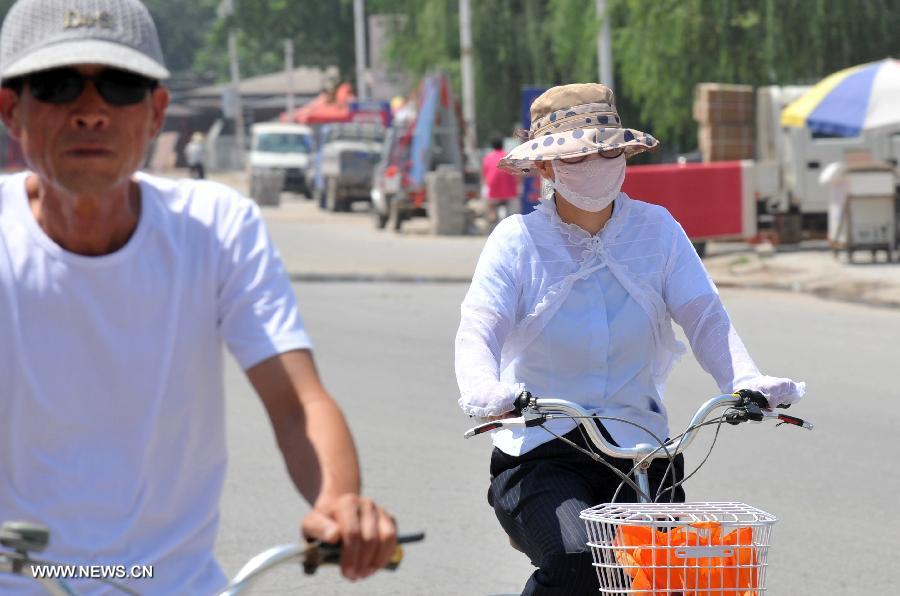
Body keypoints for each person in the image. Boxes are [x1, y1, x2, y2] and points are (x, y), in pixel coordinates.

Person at [0, 0, 396, 593]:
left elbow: (297, 404)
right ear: (11, 110)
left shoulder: (216, 227)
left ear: (156, 111)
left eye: (119, 85)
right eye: (57, 86)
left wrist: (338, 502)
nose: (90, 112)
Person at [454, 83, 806, 595]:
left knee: (671, 575)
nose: (598, 162)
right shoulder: (516, 242)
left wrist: (745, 379)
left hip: (644, 450)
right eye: (579, 154)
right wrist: (484, 387)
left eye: (608, 149)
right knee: (576, 560)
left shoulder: (657, 230)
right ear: (546, 168)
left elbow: (704, 316)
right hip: (541, 450)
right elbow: (479, 327)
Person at [481, 133, 520, 228]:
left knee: (487, 199)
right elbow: (517, 175)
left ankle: (491, 217)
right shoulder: (509, 157)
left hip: (493, 193)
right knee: (514, 213)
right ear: (503, 144)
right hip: (510, 192)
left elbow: (485, 178)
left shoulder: (487, 158)